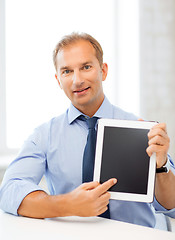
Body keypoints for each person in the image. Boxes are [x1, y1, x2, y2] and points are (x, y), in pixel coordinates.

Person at [0, 33, 175, 230]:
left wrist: (161, 167)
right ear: (58, 80)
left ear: (103, 70)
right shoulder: (44, 136)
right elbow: (9, 192)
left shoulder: (141, 129)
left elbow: (172, 206)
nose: (77, 80)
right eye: (67, 71)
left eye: (86, 67)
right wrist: (69, 204)